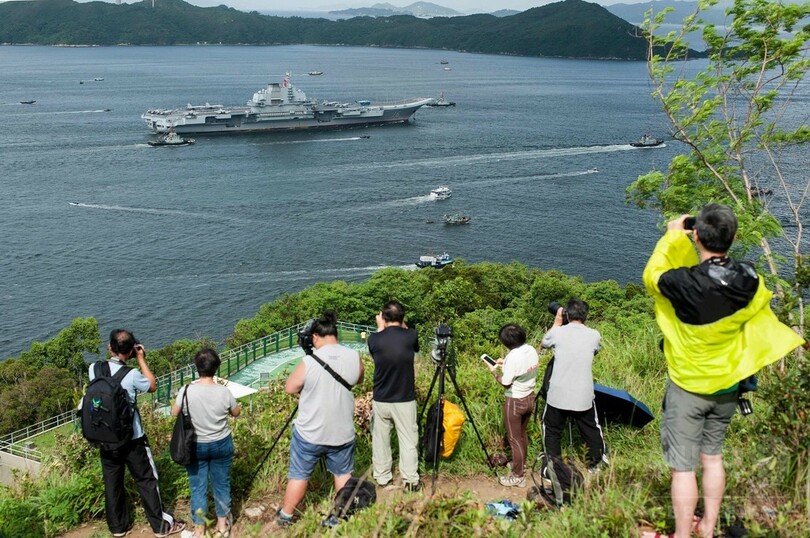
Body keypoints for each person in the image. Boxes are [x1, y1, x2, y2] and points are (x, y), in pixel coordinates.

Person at [642, 204, 804, 538]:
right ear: (733, 237)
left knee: (683, 469)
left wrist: (673, 236)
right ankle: (709, 527)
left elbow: (652, 275)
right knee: (712, 459)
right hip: (728, 386)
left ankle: (683, 535)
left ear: (697, 235)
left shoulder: (682, 282)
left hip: (687, 387)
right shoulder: (750, 278)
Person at [92, 329, 185, 538]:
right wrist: (141, 358)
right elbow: (152, 385)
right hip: (132, 439)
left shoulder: (94, 368)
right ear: (131, 350)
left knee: (112, 483)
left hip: (105, 438)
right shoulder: (132, 375)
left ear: (110, 347)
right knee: (146, 479)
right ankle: (160, 527)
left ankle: (118, 528)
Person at [276, 311, 364, 527]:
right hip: (342, 431)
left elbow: (290, 388)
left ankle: (286, 516)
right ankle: (340, 516)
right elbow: (358, 379)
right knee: (343, 473)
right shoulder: (354, 356)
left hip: (310, 433)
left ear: (315, 337)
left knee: (299, 474)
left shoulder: (310, 361)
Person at [171, 349, 240, 538]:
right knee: (221, 484)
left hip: (195, 445)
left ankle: (199, 530)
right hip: (221, 442)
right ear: (216, 367)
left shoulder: (186, 391)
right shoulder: (224, 391)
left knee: (198, 487)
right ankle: (222, 526)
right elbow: (236, 412)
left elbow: (174, 412)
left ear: (197, 368)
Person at [540, 299, 607, 473]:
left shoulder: (558, 333)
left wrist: (557, 321)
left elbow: (544, 344)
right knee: (591, 428)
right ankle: (596, 463)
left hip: (558, 394)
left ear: (566, 314)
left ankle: (552, 467)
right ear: (586, 315)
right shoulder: (594, 334)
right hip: (583, 393)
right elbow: (596, 350)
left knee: (552, 430)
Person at [367, 300, 421, 492]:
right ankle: (410, 480)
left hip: (381, 397)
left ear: (383, 317)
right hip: (405, 398)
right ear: (402, 317)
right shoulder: (411, 335)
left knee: (380, 440)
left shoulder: (374, 339)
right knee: (408, 440)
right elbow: (410, 341)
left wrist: (381, 327)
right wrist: (400, 323)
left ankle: (382, 478)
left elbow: (380, 348)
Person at [488, 323, 539, 487]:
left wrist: (494, 372)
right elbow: (522, 368)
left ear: (506, 343)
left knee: (514, 439)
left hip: (515, 401)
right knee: (522, 435)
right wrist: (505, 364)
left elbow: (506, 383)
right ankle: (521, 465)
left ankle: (518, 476)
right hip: (530, 397)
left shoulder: (512, 357)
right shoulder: (530, 349)